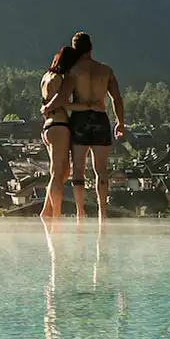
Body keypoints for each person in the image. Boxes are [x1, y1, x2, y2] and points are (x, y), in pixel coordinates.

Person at [43, 31, 124, 220]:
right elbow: (117, 99)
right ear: (91, 48)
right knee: (101, 170)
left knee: (78, 170)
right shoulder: (106, 70)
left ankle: (80, 213)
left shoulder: (73, 71)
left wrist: (47, 107)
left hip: (79, 119)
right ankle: (102, 213)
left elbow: (62, 98)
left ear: (75, 48)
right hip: (100, 118)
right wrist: (120, 122)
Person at [40, 45, 79, 219]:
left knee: (60, 172)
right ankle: (55, 213)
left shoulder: (46, 77)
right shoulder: (61, 78)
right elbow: (62, 99)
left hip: (48, 126)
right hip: (59, 125)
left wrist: (47, 108)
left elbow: (47, 101)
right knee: (58, 173)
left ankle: (47, 210)